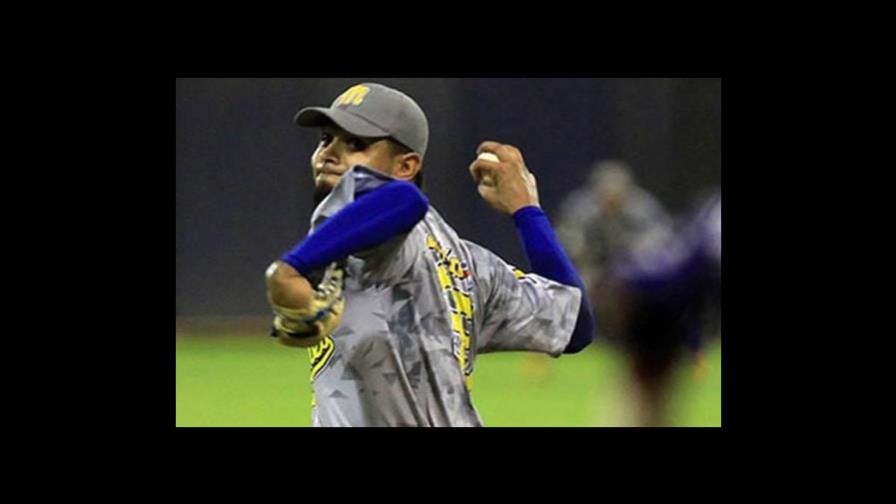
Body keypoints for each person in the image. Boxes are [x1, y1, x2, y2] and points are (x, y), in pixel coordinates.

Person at [264, 82, 596, 427]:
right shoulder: (466, 263)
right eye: (325, 138)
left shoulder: (375, 232)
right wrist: (527, 212)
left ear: (406, 167)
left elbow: (403, 201)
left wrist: (291, 268)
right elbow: (575, 324)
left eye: (356, 144)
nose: (329, 153)